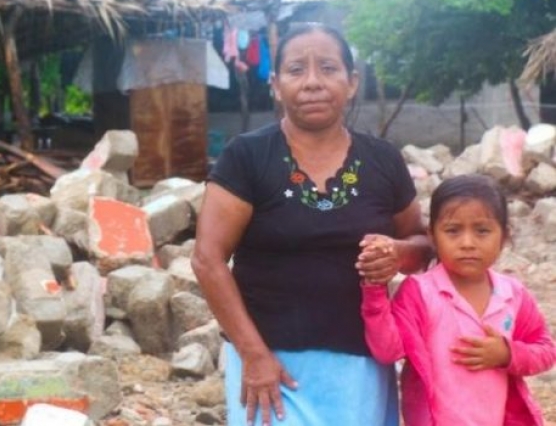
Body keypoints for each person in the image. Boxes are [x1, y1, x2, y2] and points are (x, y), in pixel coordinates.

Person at [192, 23, 432, 426]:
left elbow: (423, 243)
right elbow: (207, 259)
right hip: (270, 368)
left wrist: (399, 253)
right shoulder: (247, 157)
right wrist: (253, 355)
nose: (313, 82)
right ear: (275, 85)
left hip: (359, 370)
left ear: (351, 82)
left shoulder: (383, 160)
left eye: (328, 68)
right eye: (296, 69)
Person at [362, 174, 556, 425]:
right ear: (432, 236)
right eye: (453, 231)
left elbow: (546, 350)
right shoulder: (420, 293)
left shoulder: (512, 295)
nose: (467, 243)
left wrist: (508, 354)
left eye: (482, 231)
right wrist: (375, 291)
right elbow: (388, 350)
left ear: (504, 236)